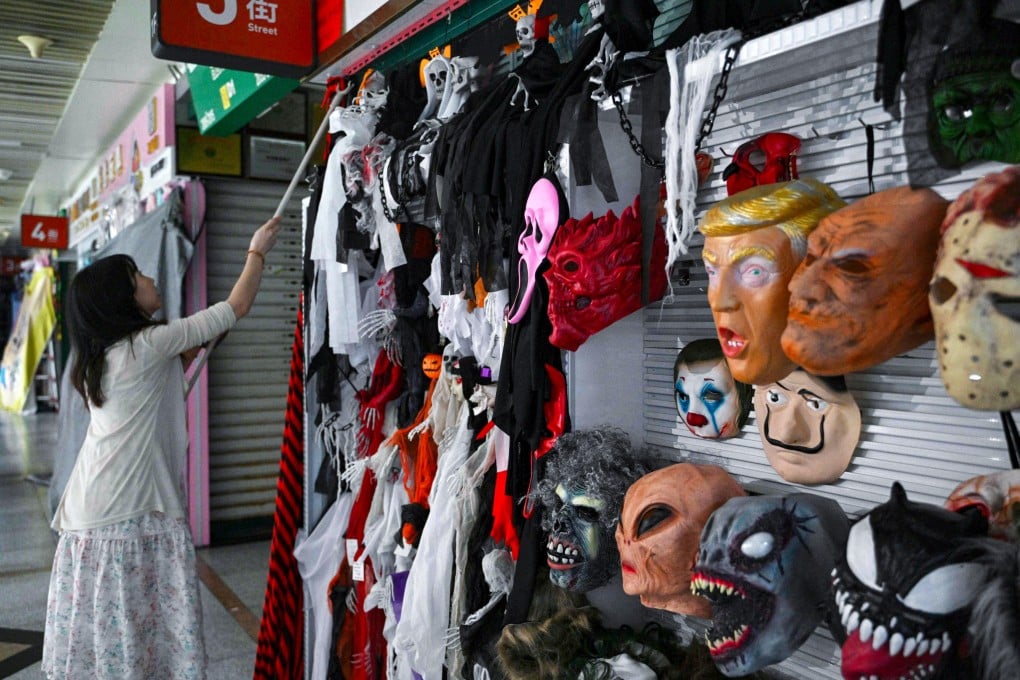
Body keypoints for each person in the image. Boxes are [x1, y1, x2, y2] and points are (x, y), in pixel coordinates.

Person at [42, 216, 283, 679]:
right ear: (125, 299)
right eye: (140, 277)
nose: (152, 279)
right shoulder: (149, 345)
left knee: (116, 636)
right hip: (130, 516)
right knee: (142, 628)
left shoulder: (103, 358)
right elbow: (237, 305)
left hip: (90, 517)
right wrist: (257, 250)